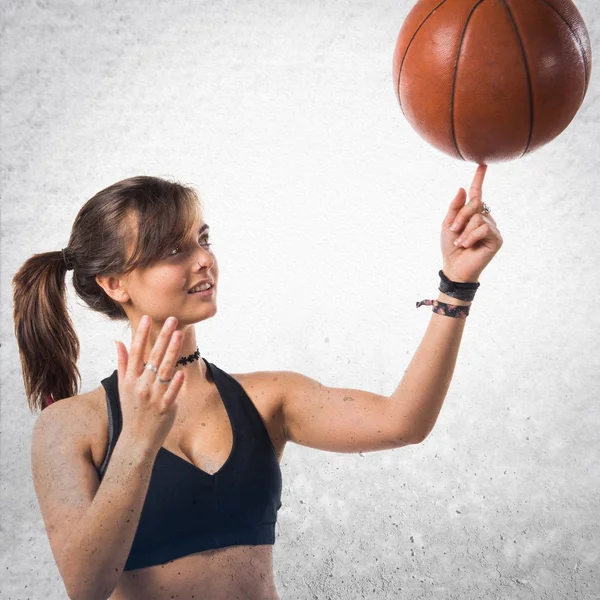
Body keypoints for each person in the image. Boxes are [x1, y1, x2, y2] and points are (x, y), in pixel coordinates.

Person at [12, 166, 502, 599]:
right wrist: (138, 441)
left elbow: (403, 423)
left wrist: (455, 287)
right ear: (115, 283)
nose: (203, 259)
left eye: (203, 239)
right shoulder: (71, 426)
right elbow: (85, 586)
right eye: (174, 249)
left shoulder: (267, 398)